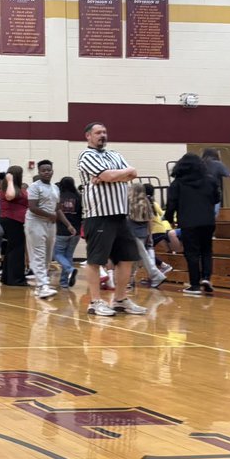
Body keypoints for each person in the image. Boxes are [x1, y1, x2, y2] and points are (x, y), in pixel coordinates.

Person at [77, 122, 146, 317]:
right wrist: (115, 175)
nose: (103, 135)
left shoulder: (115, 154)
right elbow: (110, 175)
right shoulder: (86, 156)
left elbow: (133, 173)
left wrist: (113, 177)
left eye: (105, 132)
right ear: (88, 136)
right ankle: (95, 301)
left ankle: (120, 299)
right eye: (98, 132)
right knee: (95, 260)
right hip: (98, 216)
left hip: (120, 215)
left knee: (126, 258)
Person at [164, 152, 221, 296]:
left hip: (188, 222)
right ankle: (206, 278)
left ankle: (194, 285)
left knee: (192, 253)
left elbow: (171, 204)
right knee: (207, 250)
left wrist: (169, 219)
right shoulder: (210, 180)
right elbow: (216, 199)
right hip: (208, 221)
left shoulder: (177, 183)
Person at [26, 161, 72, 299]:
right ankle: (42, 285)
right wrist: (49, 215)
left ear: (52, 171)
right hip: (35, 222)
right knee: (38, 252)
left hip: (51, 223)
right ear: (39, 172)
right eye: (43, 170)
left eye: (48, 170)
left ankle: (42, 283)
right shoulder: (34, 187)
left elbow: (58, 209)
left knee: (48, 254)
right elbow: (32, 207)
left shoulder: (55, 188)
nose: (46, 172)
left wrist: (68, 224)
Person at [0, 167, 29, 287]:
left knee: (12, 248)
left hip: (15, 220)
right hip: (12, 220)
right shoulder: (8, 187)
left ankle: (7, 277)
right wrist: (10, 180)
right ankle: (16, 279)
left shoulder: (17, 187)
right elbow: (10, 196)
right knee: (17, 249)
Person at [54, 177, 82, 288]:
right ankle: (64, 282)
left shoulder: (58, 197)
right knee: (68, 255)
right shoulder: (79, 197)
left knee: (57, 254)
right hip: (76, 230)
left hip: (61, 230)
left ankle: (70, 269)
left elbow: (56, 214)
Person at [201, 148, 230, 212]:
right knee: (214, 213)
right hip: (214, 192)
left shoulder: (199, 164)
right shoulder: (218, 164)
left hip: (200, 192)